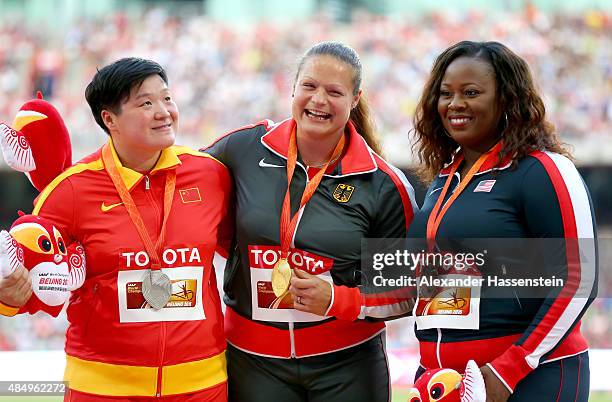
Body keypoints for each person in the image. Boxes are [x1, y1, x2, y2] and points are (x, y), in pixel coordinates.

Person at [0, 58, 232, 401]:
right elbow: (37, 282)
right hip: (101, 389)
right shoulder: (69, 191)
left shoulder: (211, 175)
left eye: (167, 99)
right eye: (146, 103)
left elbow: (240, 251)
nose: (164, 112)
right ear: (109, 119)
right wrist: (9, 299)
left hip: (202, 386)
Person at [204, 41, 418, 402]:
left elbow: (406, 292)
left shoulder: (383, 184)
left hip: (348, 367)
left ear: (355, 99)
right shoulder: (241, 149)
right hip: (254, 362)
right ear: (293, 88)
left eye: (334, 91)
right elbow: (189, 198)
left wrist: (338, 299)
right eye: (309, 86)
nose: (319, 100)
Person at [409, 41, 598, 402]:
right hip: (444, 380)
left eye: (471, 92)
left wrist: (507, 371)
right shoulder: (441, 181)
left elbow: (579, 279)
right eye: (445, 93)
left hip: (529, 378)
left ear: (507, 100)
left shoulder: (543, 170)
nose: (455, 104)